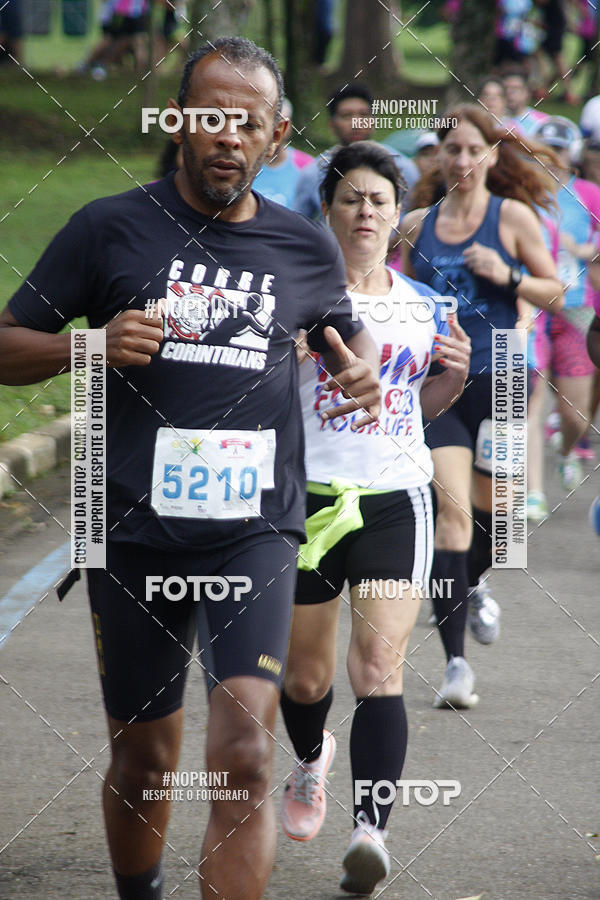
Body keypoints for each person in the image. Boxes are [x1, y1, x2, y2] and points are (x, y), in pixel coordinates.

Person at [0, 37, 382, 900]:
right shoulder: (108, 228)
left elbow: (338, 326)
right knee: (144, 758)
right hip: (132, 530)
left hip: (255, 530)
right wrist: (84, 346)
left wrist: (356, 363)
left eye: (246, 122)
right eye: (208, 117)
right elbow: (5, 343)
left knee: (246, 756)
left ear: (277, 136)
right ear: (178, 123)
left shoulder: (304, 247)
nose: (226, 137)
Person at [279, 141, 470, 895]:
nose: (365, 212)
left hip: (394, 497)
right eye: (352, 198)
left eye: (380, 201)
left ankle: (370, 833)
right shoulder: (295, 298)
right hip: (306, 500)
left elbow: (414, 415)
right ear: (328, 210)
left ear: (398, 219)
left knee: (377, 668)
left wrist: (450, 385)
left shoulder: (422, 308)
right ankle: (307, 762)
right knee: (305, 678)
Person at [400, 105, 564, 707]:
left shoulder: (511, 216)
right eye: (454, 149)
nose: (463, 160)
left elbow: (556, 291)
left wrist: (508, 274)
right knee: (452, 515)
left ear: (492, 157)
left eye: (474, 150)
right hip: (441, 383)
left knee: (498, 519)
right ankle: (456, 668)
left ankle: (471, 586)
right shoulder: (418, 225)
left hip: (503, 377)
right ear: (440, 156)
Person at [531, 115, 600, 489]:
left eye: (557, 149)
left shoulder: (588, 193)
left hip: (574, 307)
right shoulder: (523, 192)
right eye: (543, 148)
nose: (550, 157)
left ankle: (565, 449)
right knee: (528, 400)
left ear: (569, 153)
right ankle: (531, 492)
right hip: (531, 306)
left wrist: (589, 248)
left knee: (576, 415)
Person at [293, 82, 418, 221]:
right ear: (331, 124)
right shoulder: (314, 173)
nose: (356, 122)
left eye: (363, 115)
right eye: (347, 116)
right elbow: (298, 225)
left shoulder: (402, 167)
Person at [253, 97, 313, 208]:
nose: (276, 130)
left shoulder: (307, 166)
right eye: (271, 122)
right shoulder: (246, 163)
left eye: (281, 124)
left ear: (289, 126)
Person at [502, 66, 548, 136]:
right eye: (505, 88)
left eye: (515, 89)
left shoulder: (542, 122)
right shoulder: (494, 120)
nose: (509, 92)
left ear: (527, 93)